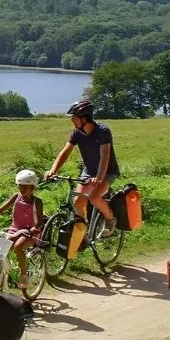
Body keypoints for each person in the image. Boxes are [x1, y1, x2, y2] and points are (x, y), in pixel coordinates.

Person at [44, 100, 118, 238]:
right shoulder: (77, 133)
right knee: (78, 202)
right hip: (89, 171)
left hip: (107, 171)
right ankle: (82, 235)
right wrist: (53, 170)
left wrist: (99, 178)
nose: (72, 120)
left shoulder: (103, 131)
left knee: (94, 197)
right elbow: (65, 152)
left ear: (84, 118)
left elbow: (105, 156)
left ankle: (110, 219)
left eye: (74, 117)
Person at [0, 169, 45, 299]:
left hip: (30, 232)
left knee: (18, 246)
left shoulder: (37, 202)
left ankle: (24, 276)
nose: (21, 188)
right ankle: (2, 280)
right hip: (14, 229)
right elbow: (3, 207)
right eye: (19, 185)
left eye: (25, 186)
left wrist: (32, 229)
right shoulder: (15, 196)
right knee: (0, 251)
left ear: (32, 186)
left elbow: (39, 222)